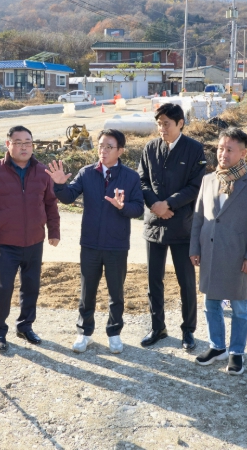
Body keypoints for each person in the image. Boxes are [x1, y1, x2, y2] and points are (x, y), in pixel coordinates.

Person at [46, 129, 144, 354]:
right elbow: (69, 197)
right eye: (101, 146)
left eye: (109, 147)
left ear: (120, 151)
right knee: (87, 290)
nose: (103, 150)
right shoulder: (87, 173)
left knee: (116, 292)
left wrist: (123, 207)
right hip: (90, 243)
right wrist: (59, 185)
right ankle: (84, 332)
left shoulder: (130, 177)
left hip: (116, 245)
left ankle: (114, 333)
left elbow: (139, 208)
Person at [190, 127, 247, 375]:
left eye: (229, 150)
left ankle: (236, 352)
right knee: (210, 302)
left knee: (239, 307)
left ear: (243, 153)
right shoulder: (208, 180)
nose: (223, 154)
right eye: (220, 148)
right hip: (210, 252)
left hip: (237, 256)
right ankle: (217, 346)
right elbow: (198, 217)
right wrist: (195, 247)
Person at [0, 125, 60, 351]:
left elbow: (51, 204)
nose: (24, 147)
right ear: (8, 145)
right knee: (4, 288)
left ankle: (25, 326)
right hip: (5, 243)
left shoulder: (42, 171)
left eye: (28, 143)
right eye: (19, 143)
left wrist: (53, 231)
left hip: (34, 241)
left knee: (31, 287)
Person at [138, 102, 207, 350]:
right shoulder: (150, 148)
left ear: (180, 124)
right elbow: (142, 180)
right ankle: (158, 327)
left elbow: (196, 186)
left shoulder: (194, 149)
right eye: (159, 124)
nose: (162, 128)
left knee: (186, 282)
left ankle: (188, 330)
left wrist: (168, 204)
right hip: (154, 225)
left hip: (182, 226)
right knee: (153, 280)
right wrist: (155, 205)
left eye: (166, 124)